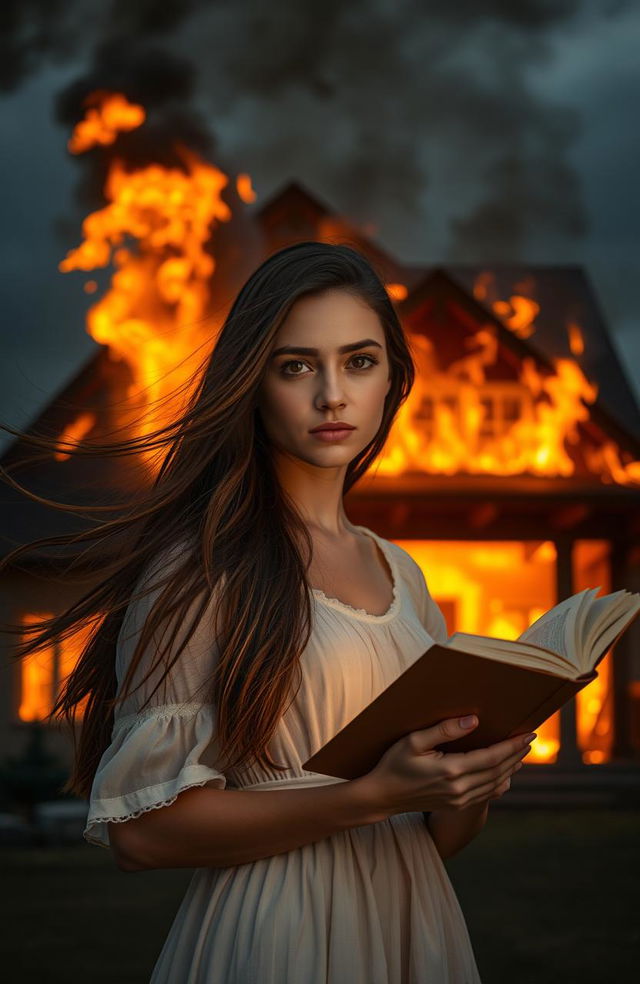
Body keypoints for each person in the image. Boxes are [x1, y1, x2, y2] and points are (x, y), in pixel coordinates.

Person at [3, 241, 533, 983]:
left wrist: (468, 783)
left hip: (416, 929)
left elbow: (427, 837)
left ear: (394, 379)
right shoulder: (200, 566)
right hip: (274, 936)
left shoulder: (403, 574)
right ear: (253, 384)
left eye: (359, 361)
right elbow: (143, 834)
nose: (332, 396)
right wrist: (370, 796)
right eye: (295, 366)